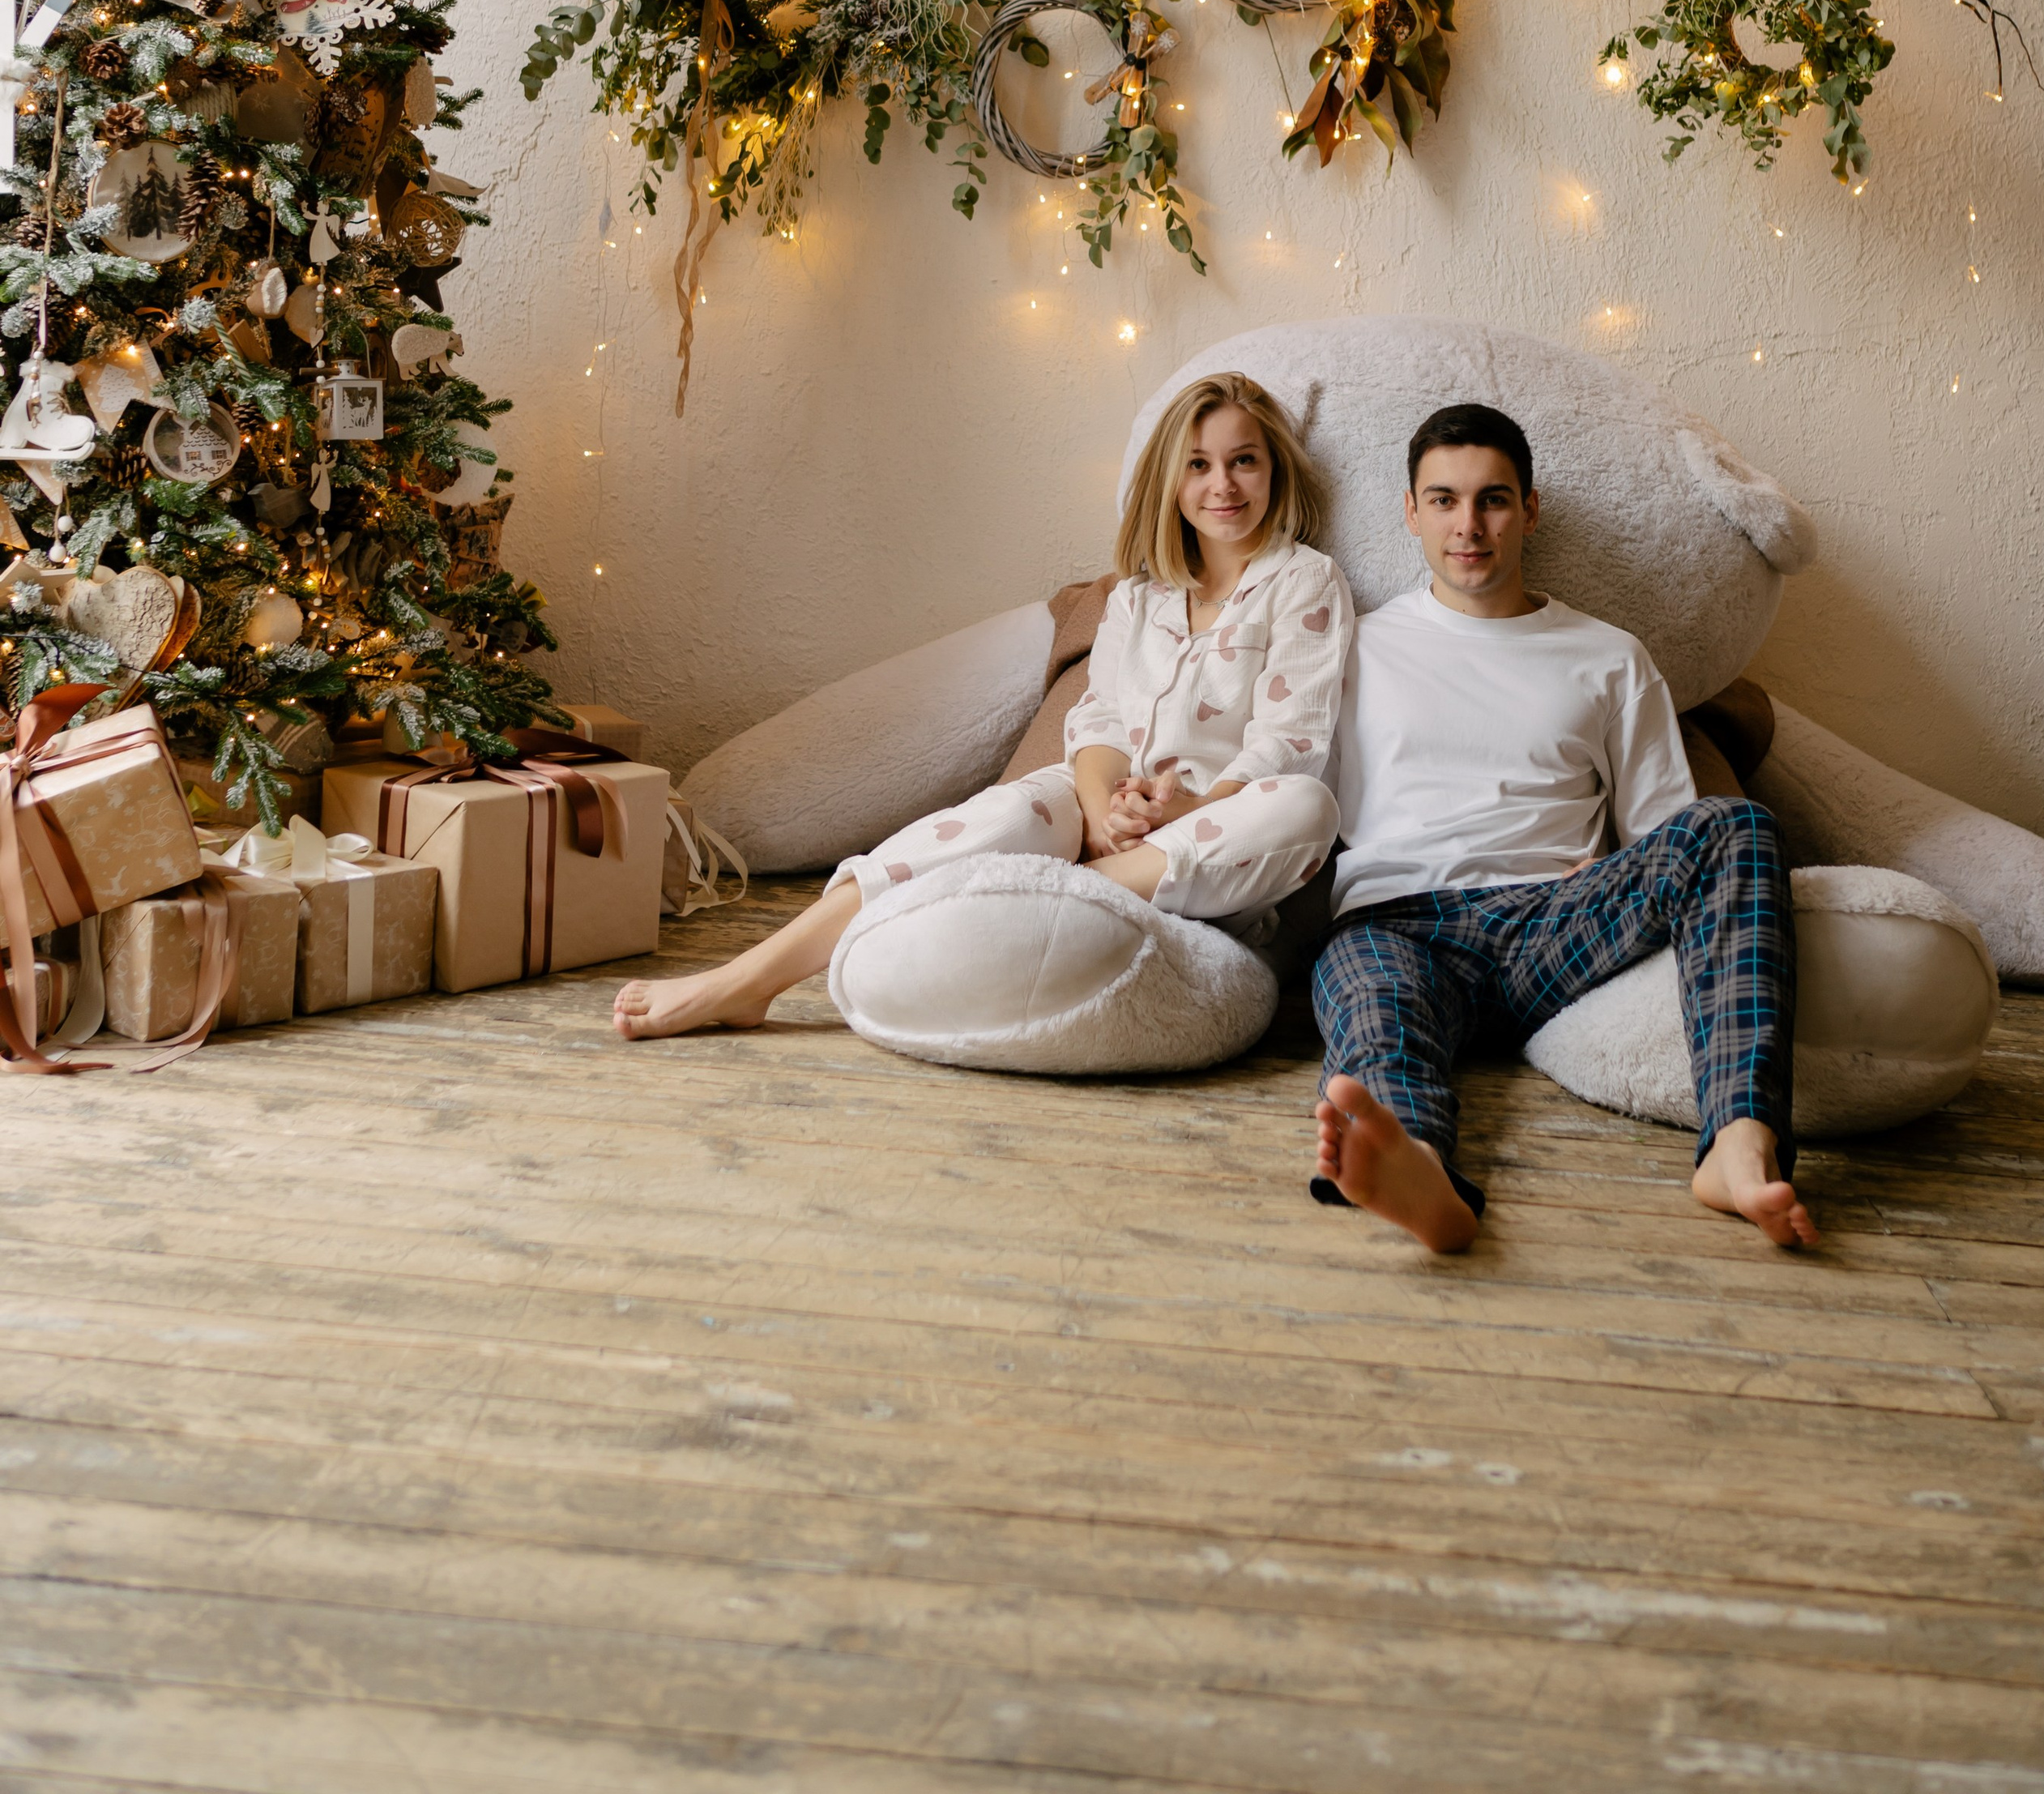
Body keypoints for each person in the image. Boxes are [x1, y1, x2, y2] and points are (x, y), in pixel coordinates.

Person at [614, 372, 1351, 1040]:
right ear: (1171, 481)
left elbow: (1288, 744)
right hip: (1105, 809)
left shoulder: (1306, 583)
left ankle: (1037, 895)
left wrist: (1178, 810)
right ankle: (748, 980)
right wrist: (1098, 811)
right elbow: (1096, 721)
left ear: (1273, 469)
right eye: (1199, 464)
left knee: (1307, 804)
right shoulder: (1136, 595)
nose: (1222, 484)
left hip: (1206, 834)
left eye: (1243, 460)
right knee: (1004, 812)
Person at [1311, 400, 1816, 1254]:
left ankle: (1736, 1145)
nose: (1467, 526)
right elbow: (1278, 793)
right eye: (1442, 500)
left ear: (1529, 509)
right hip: (1401, 921)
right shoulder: (1349, 648)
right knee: (1378, 1007)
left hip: (1557, 921)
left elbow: (1670, 836)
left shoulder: (1609, 655)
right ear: (1409, 512)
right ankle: (1420, 1169)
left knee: (1732, 828)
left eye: (1492, 500)